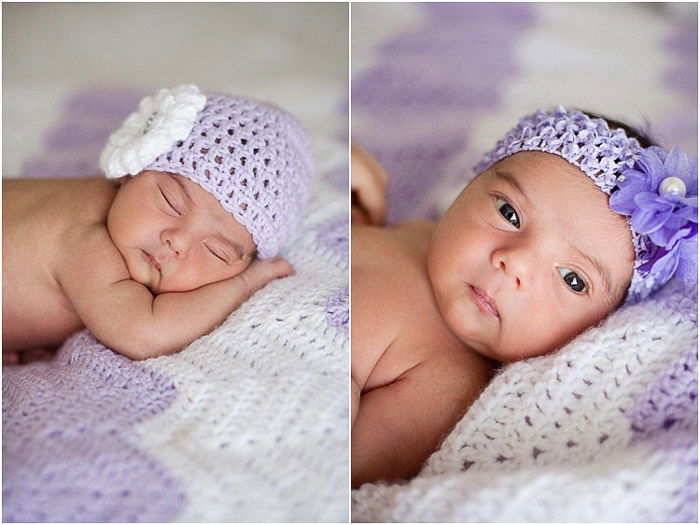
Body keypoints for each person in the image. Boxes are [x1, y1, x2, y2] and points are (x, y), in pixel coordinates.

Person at [351, 107, 697, 487]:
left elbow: (338, 471)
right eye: (509, 212)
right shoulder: (415, 230)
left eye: (572, 280)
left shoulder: (444, 381)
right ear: (470, 184)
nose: (515, 263)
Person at [3, 85, 314, 364]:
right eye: (170, 201)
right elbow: (144, 334)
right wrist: (246, 284)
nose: (177, 242)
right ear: (131, 170)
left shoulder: (122, 223)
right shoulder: (86, 239)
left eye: (216, 251)